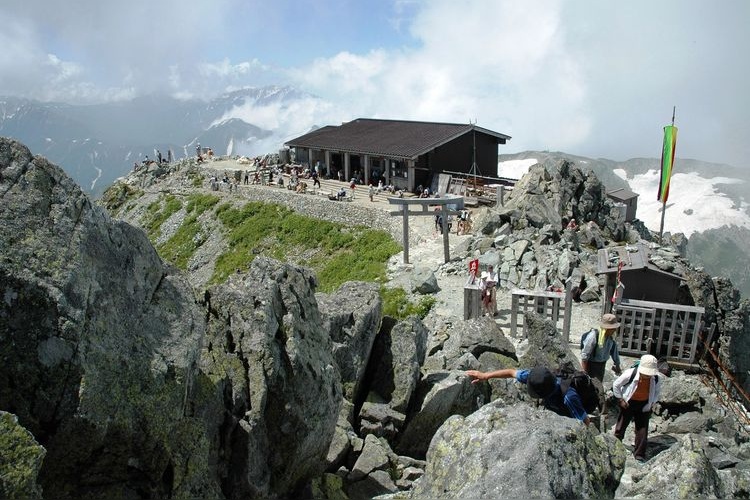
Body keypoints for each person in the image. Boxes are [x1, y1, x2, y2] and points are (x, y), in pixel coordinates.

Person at [466, 367, 590, 425]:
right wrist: (485, 375)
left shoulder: (568, 397)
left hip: (568, 414)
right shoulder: (535, 376)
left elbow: (585, 421)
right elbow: (511, 372)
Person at [612, 354, 664, 462]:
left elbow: (656, 393)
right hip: (628, 402)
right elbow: (616, 385)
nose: (647, 375)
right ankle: (614, 445)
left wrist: (652, 403)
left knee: (642, 429)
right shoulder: (631, 373)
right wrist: (621, 400)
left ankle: (639, 454)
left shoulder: (657, 378)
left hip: (645, 404)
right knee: (622, 424)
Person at [581, 313, 622, 382]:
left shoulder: (611, 337)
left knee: (599, 383)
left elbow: (614, 351)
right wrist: (585, 372)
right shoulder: (593, 336)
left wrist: (617, 365)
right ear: (607, 328)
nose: (614, 330)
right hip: (591, 365)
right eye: (613, 328)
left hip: (602, 364)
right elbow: (585, 355)